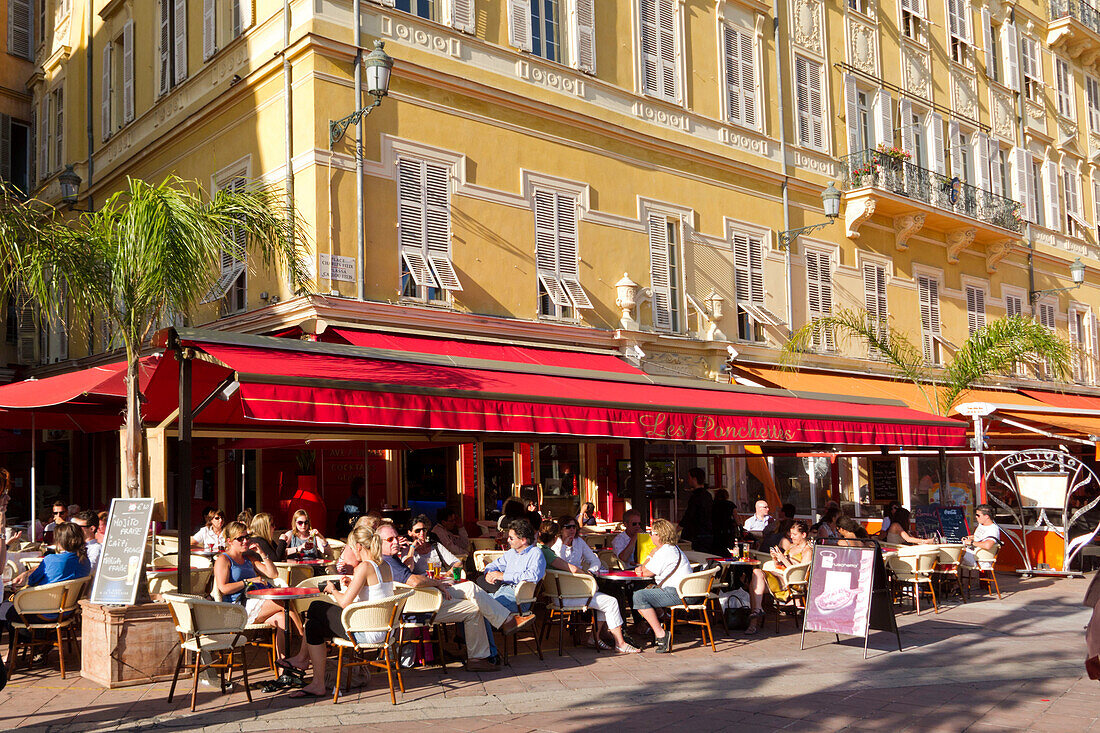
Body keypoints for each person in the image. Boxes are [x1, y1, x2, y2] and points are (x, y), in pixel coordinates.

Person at [377, 523, 530, 671]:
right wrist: (436, 583)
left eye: (396, 537)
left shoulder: (392, 558)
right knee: (472, 597)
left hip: (423, 599)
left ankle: (480, 656)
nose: (396, 541)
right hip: (419, 606)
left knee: (473, 602)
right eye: (390, 539)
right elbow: (414, 581)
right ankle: (505, 624)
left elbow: (451, 564)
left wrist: (435, 583)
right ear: (378, 542)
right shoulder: (386, 561)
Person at [278, 525, 393, 698]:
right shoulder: (384, 566)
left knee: (316, 607)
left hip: (366, 632)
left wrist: (332, 589)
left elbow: (345, 603)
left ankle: (303, 661)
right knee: (313, 626)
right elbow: (373, 593)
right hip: (384, 630)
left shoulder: (364, 567)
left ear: (359, 547)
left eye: (352, 547)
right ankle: (316, 681)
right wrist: (350, 585)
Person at [540, 520, 639, 654]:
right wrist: (588, 576)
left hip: (565, 592)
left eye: (574, 527)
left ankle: (595, 637)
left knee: (607, 598)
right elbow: (572, 569)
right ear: (557, 535)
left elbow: (590, 561)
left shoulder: (542, 551)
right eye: (568, 527)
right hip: (567, 594)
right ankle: (619, 643)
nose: (572, 530)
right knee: (611, 602)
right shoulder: (549, 552)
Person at [214, 521, 296, 658]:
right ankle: (303, 638)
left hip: (256, 602)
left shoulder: (249, 559)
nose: (245, 541)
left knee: (283, 618)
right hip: (237, 609)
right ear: (230, 541)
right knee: (285, 600)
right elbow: (223, 589)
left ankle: (284, 667)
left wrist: (262, 553)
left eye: (247, 537)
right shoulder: (224, 559)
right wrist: (248, 581)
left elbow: (273, 574)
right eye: (240, 538)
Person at [7, 523, 91, 626]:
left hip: (42, 611)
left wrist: (27, 574)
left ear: (59, 540)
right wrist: (26, 573)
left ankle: (27, 639)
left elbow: (32, 581)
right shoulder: (85, 561)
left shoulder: (51, 559)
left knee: (8, 612)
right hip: (68, 611)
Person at [631, 519, 691, 653]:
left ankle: (661, 634)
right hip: (687, 592)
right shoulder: (673, 549)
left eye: (651, 533)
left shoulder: (664, 552)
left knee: (639, 596)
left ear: (659, 535)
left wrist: (650, 556)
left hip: (678, 593)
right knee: (646, 591)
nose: (650, 536)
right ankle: (662, 618)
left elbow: (645, 572)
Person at [745, 521, 813, 634]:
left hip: (790, 583)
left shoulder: (807, 551)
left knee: (755, 581)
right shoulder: (792, 548)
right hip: (779, 577)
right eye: (791, 534)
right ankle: (757, 610)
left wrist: (783, 558)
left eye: (795, 534)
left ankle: (753, 623)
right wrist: (775, 559)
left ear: (804, 535)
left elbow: (800, 573)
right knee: (756, 576)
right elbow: (779, 566)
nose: (791, 537)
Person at [481, 519, 547, 614]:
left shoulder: (535, 553)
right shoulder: (511, 553)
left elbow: (532, 576)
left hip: (519, 600)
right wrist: (489, 573)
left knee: (485, 609)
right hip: (501, 593)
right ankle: (499, 626)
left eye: (511, 538)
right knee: (470, 606)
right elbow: (493, 565)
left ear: (523, 540)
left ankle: (501, 626)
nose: (508, 540)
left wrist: (503, 576)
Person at [678, 467, 714, 553]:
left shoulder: (695, 497)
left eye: (689, 478)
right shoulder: (708, 495)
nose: (688, 480)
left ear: (694, 479)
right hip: (707, 534)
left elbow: (689, 515)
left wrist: (678, 528)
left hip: (696, 536)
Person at [960, 504, 1001, 569]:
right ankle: (951, 576)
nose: (976, 517)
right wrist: (969, 538)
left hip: (981, 559)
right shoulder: (982, 525)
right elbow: (980, 537)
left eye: (978, 515)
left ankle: (950, 576)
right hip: (973, 554)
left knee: (957, 552)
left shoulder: (993, 529)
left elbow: (988, 545)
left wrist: (971, 542)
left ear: (986, 516)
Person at [712, 488, 739, 554]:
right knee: (729, 550)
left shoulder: (713, 505)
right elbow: (736, 518)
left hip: (715, 530)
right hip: (728, 531)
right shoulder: (730, 504)